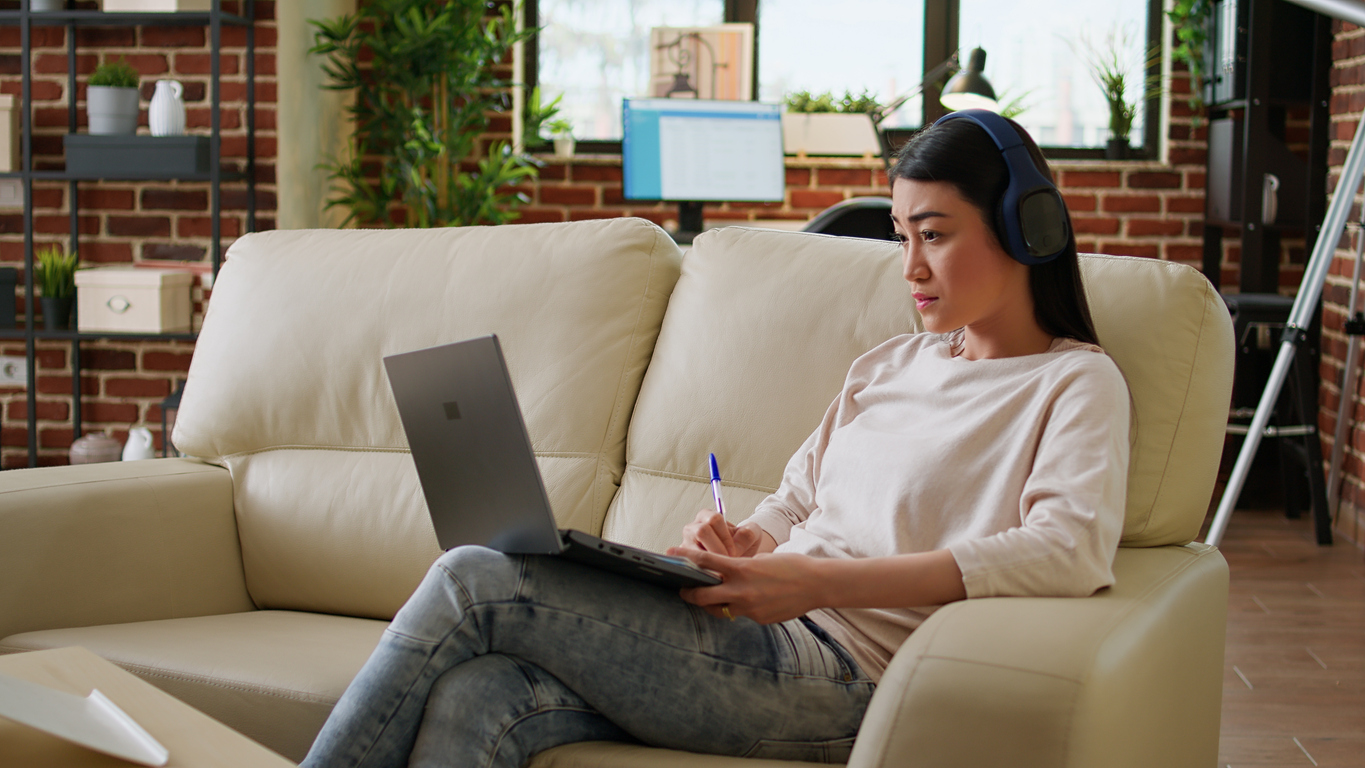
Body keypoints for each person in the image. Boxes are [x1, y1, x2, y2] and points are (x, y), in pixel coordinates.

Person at [300, 112, 1131, 768]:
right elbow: (798, 498)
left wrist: (815, 582)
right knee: (479, 698)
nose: (909, 265)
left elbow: (1066, 550)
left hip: (853, 676)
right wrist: (748, 541)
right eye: (902, 235)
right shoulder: (889, 362)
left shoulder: (1072, 383)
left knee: (474, 578)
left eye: (936, 234)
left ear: (1028, 231)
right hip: (768, 632)